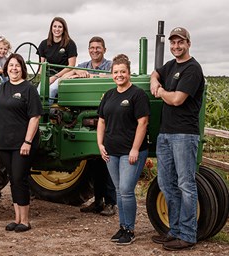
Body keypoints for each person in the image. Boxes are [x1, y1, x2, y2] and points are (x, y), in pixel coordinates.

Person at [150, 27, 205, 251]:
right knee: (166, 183)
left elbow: (176, 100)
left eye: (180, 42)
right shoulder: (171, 66)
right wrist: (155, 81)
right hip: (165, 134)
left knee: (185, 184)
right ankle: (173, 231)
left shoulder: (193, 69)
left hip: (184, 134)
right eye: (172, 43)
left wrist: (161, 92)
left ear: (188, 43)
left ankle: (188, 234)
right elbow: (156, 73)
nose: (175, 46)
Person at [0, 53, 42, 233]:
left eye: (17, 66)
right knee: (12, 180)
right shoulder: (1, 87)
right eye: (11, 66)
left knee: (19, 178)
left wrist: (27, 141)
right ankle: (16, 218)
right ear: (6, 68)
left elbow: (35, 117)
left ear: (22, 68)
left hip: (22, 143)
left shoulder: (28, 89)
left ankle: (25, 220)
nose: (14, 68)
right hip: (4, 142)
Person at [97, 54, 150, 245]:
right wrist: (100, 144)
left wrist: (135, 149)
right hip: (111, 151)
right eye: (116, 72)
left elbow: (143, 123)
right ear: (112, 74)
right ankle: (122, 227)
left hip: (131, 151)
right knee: (119, 190)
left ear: (129, 73)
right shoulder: (109, 95)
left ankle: (130, 230)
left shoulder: (137, 95)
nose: (119, 75)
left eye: (123, 72)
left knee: (126, 190)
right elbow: (101, 121)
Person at [60, 36, 116, 216]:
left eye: (98, 47)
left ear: (104, 50)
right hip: (87, 119)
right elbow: (66, 76)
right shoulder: (83, 65)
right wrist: (77, 73)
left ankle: (111, 203)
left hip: (107, 116)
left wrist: (91, 75)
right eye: (92, 47)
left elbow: (113, 78)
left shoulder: (110, 66)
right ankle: (98, 201)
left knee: (107, 161)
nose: (95, 50)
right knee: (93, 163)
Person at [37, 17, 77, 103]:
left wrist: (55, 77)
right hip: (48, 76)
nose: (57, 29)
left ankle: (45, 114)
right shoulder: (44, 44)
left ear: (64, 29)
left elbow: (71, 65)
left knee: (51, 90)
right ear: (51, 28)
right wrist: (44, 79)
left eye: (60, 27)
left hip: (63, 76)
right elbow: (41, 65)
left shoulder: (70, 44)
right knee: (38, 92)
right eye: (55, 26)